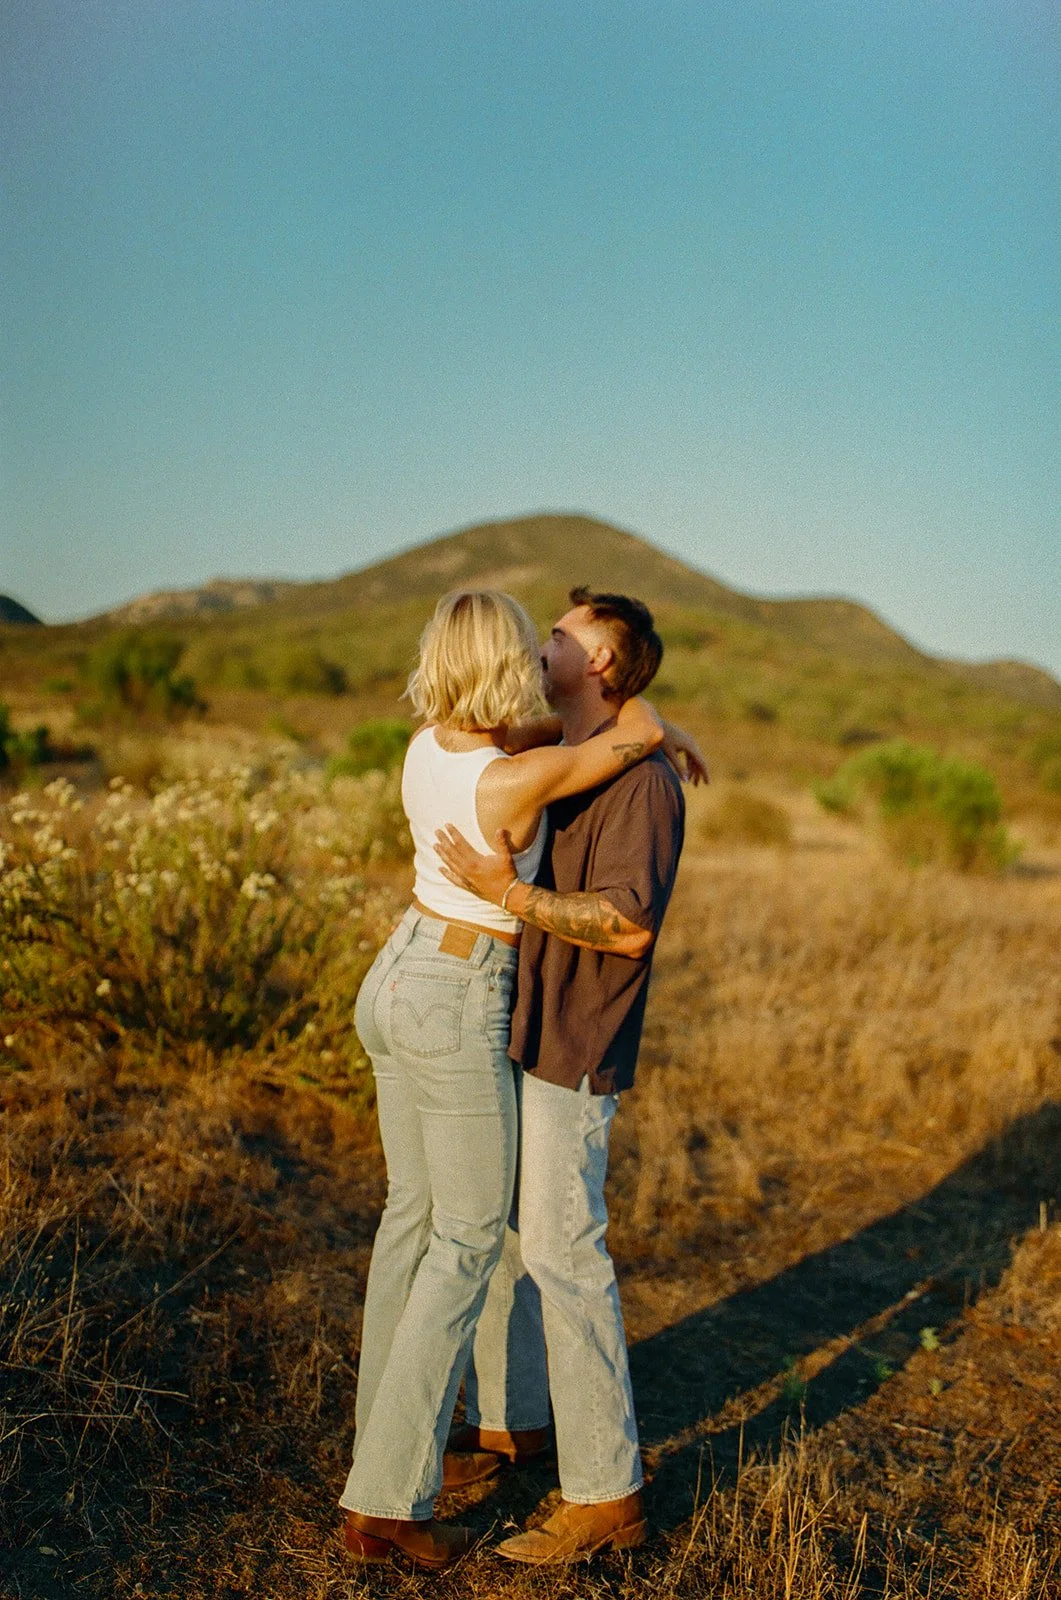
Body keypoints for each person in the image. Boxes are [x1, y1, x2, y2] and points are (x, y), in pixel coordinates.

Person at [338, 588, 672, 1571]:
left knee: (411, 1219)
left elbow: (580, 740)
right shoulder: (512, 779)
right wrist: (659, 722)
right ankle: (386, 1500)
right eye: (529, 642)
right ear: (499, 662)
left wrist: (641, 726)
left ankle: (386, 1445)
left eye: (555, 640)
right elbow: (628, 734)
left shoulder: (430, 745)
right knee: (469, 1238)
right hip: (457, 985)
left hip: (395, 968)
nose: (540, 651)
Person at [434, 586, 700, 1565]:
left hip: (576, 1040)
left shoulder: (644, 786)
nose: (542, 637)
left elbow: (626, 923)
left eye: (561, 631)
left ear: (598, 662)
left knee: (564, 1252)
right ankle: (512, 1424)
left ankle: (605, 1492)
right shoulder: (566, 748)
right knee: (512, 1240)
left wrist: (502, 892)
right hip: (522, 1024)